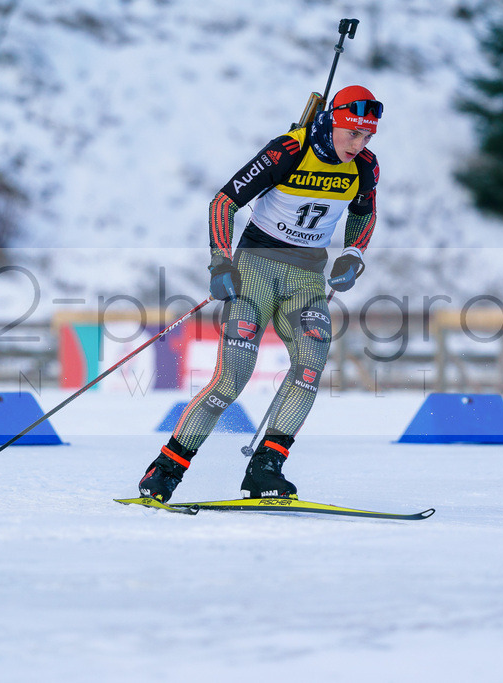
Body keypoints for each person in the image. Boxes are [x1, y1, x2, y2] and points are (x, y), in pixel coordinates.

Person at [138, 85, 382, 502]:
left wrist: (353, 255)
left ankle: (266, 468)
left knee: (310, 364)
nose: (358, 145)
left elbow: (364, 213)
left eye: (367, 137)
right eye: (352, 134)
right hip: (256, 267)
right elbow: (223, 201)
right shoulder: (289, 149)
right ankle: (166, 470)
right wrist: (220, 261)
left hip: (306, 277)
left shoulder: (365, 167)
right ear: (333, 121)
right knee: (231, 378)